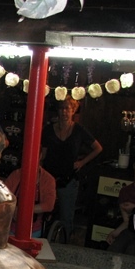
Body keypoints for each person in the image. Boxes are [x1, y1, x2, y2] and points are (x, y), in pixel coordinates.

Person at [41, 96, 102, 237]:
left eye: (67, 108)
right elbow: (43, 154)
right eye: (61, 108)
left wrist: (82, 162)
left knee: (66, 216)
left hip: (69, 178)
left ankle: (65, 245)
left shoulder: (79, 130)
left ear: (73, 111)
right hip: (49, 177)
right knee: (45, 213)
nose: (64, 112)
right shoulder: (49, 130)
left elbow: (98, 148)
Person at [4, 165, 56, 238]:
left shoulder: (48, 179)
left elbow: (49, 205)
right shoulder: (15, 175)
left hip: (34, 231)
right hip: (10, 228)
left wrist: (25, 210)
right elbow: (3, 196)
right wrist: (13, 208)